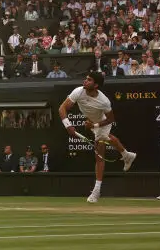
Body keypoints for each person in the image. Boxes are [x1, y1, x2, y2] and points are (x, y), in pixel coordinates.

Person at [58, 71, 137, 203]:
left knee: (99, 155)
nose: (85, 81)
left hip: (102, 122)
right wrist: (68, 125)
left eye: (89, 80)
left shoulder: (104, 101)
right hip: (93, 122)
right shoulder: (78, 91)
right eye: (86, 79)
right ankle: (127, 155)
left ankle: (96, 191)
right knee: (107, 138)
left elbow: (111, 119)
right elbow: (62, 108)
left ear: (96, 85)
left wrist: (94, 125)